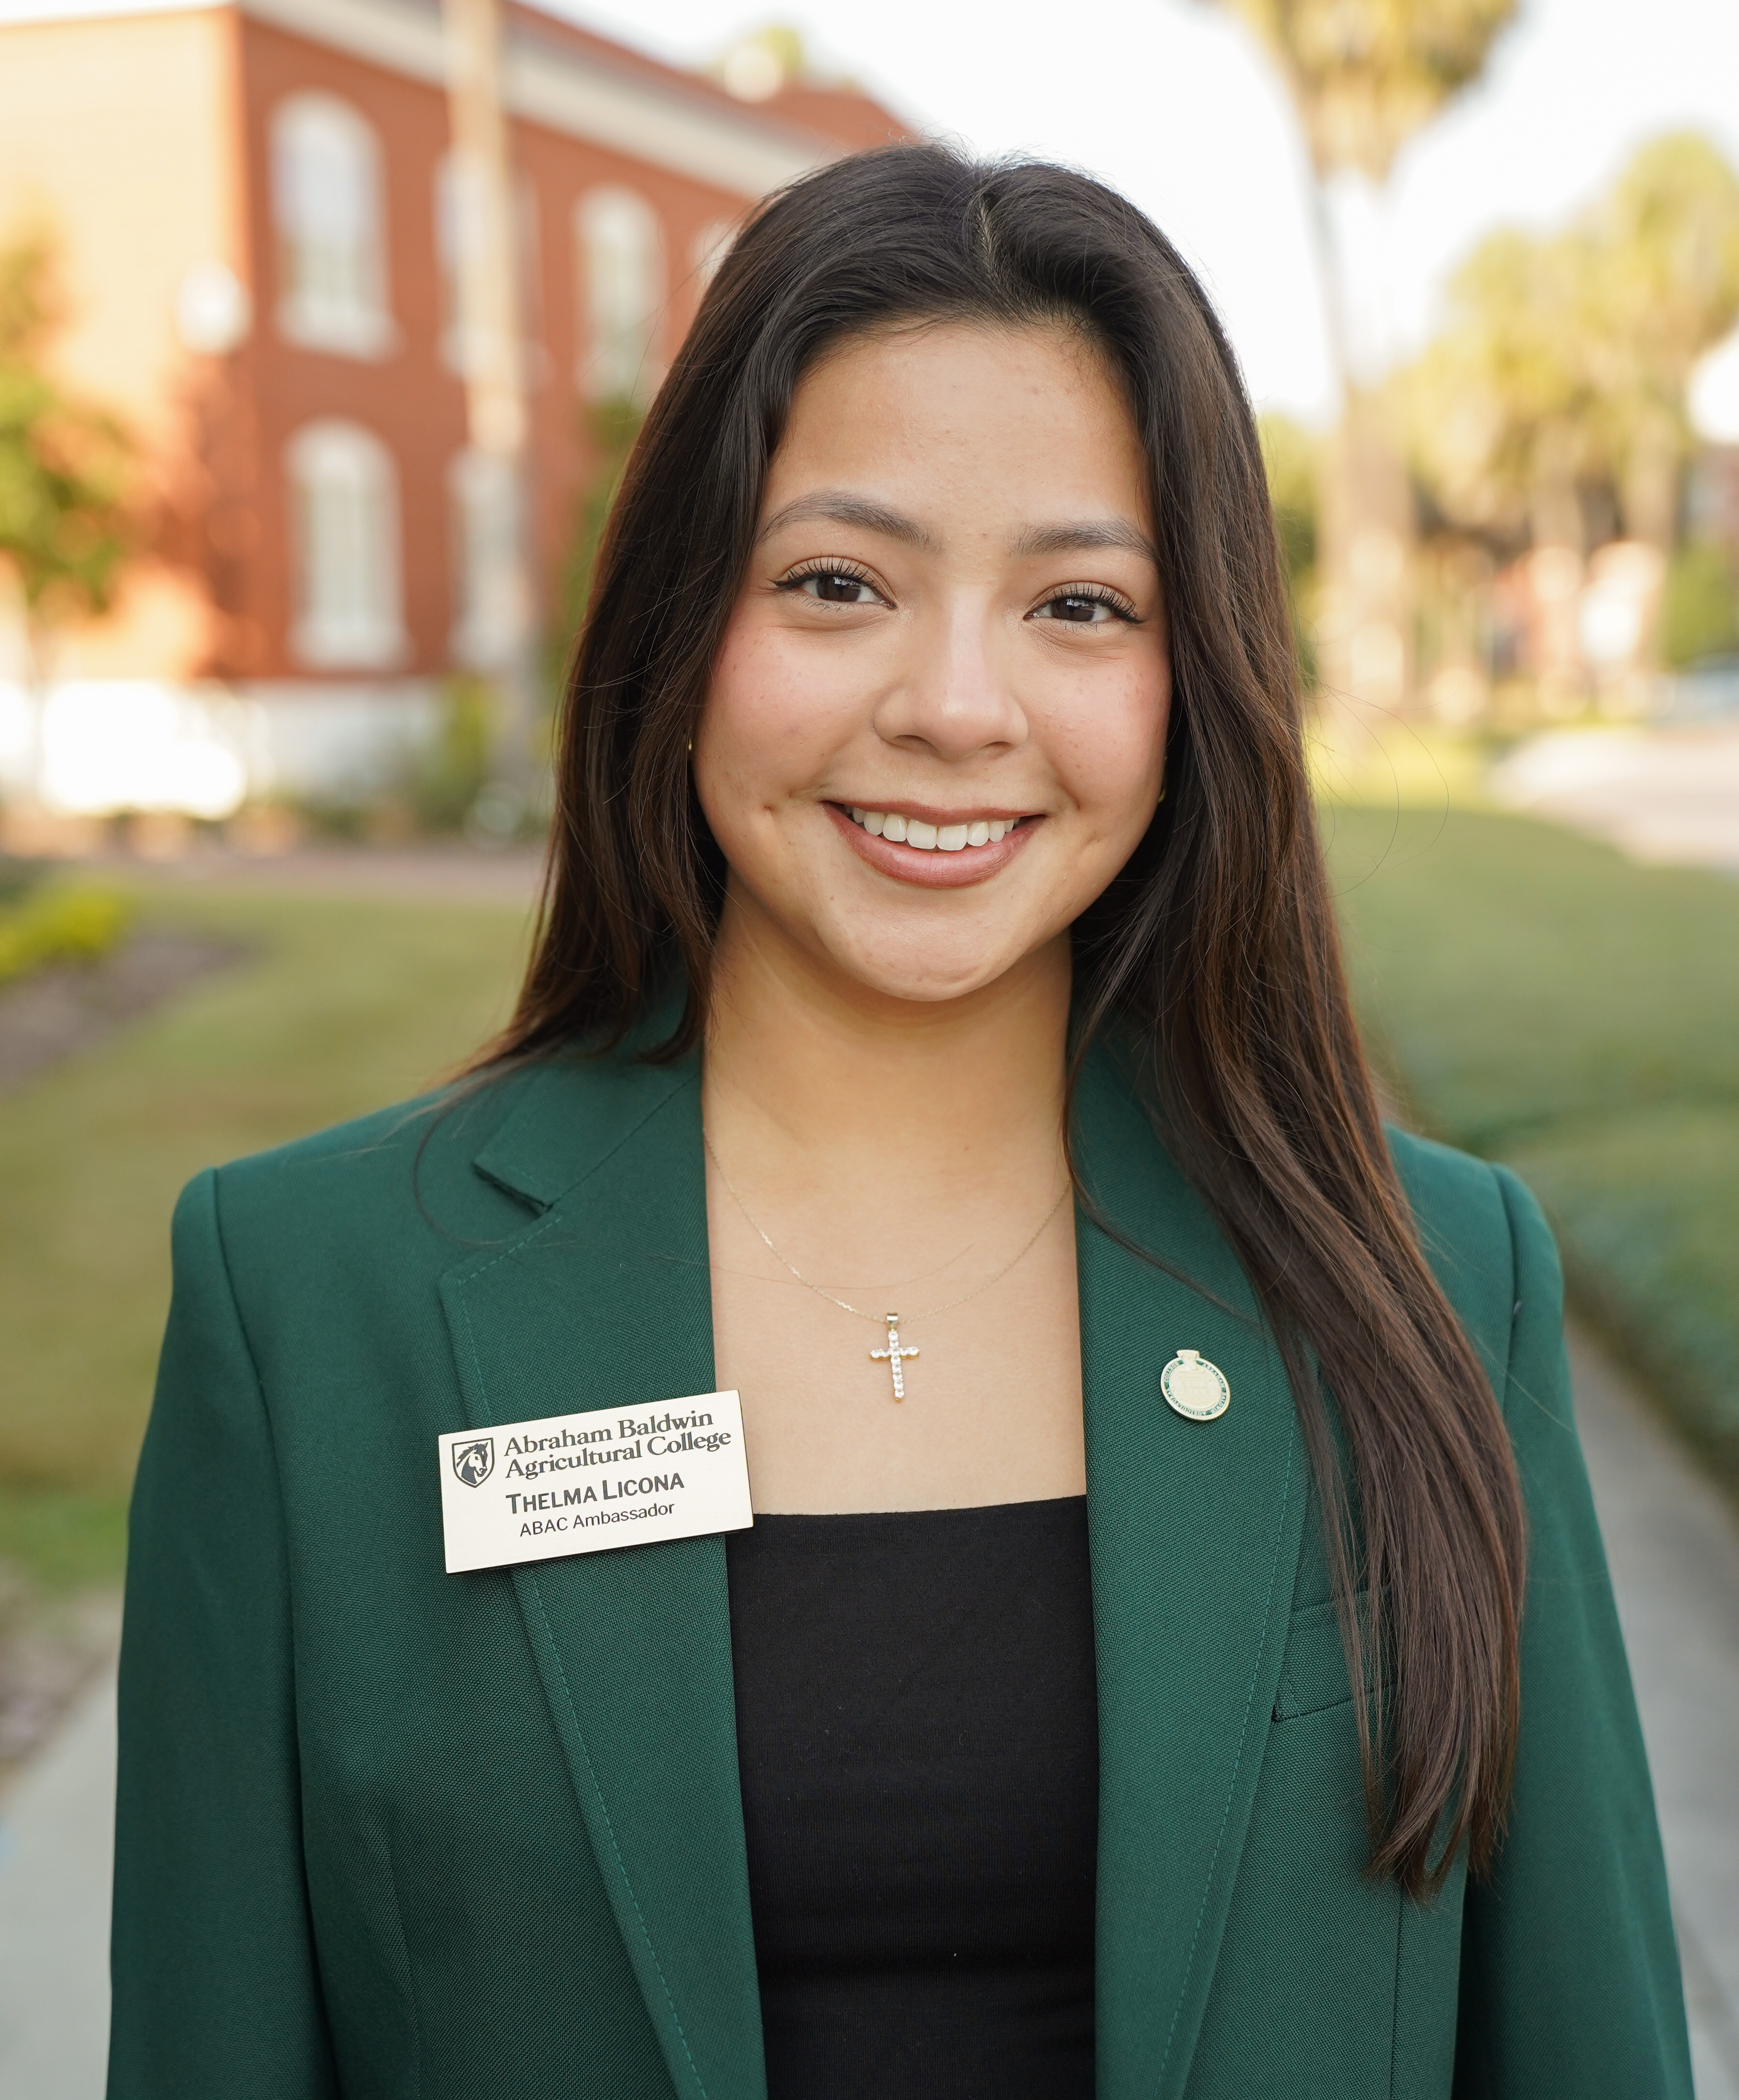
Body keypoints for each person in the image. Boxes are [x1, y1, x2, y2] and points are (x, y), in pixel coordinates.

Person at [108, 147, 1691, 2100]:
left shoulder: (1440, 1290)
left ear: (1196, 678)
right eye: (839, 583)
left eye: (1081, 604)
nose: (957, 706)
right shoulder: (309, 1306)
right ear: (682, 627)